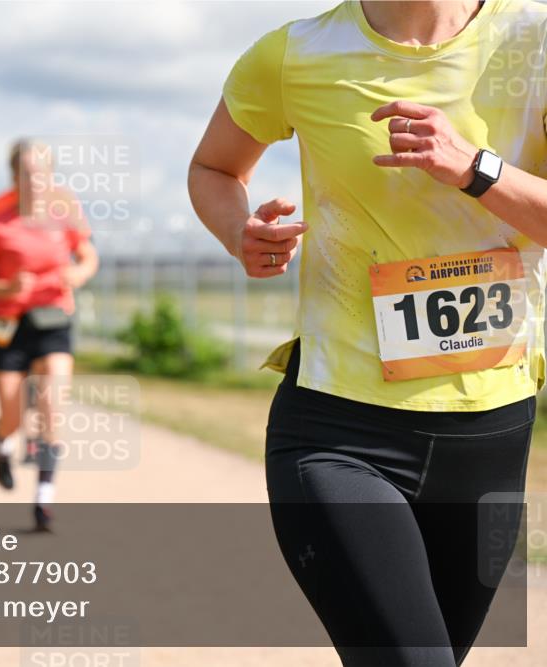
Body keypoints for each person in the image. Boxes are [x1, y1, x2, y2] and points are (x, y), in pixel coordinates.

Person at [188, 0, 547, 664]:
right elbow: (214, 167)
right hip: (338, 429)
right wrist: (240, 231)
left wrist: (476, 168)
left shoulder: (535, 41)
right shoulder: (295, 55)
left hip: (491, 433)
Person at [0, 139, 98, 531]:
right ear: (14, 177)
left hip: (53, 318)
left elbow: (88, 255)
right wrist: (5, 289)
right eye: (26, 173)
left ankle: (43, 499)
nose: (35, 181)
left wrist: (77, 274)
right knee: (13, 414)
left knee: (50, 408)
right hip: (7, 324)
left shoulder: (65, 210)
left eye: (41, 173)